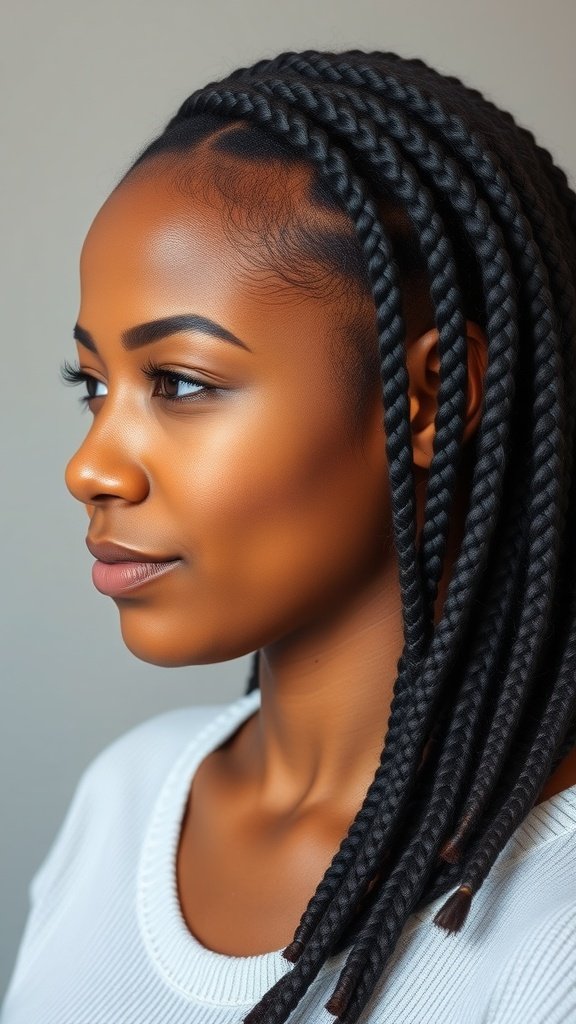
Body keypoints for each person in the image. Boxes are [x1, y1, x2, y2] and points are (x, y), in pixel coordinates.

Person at [2, 47, 575, 1024]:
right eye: (92, 386)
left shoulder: (550, 938)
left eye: (179, 383)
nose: (91, 467)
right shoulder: (129, 796)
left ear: (433, 396)